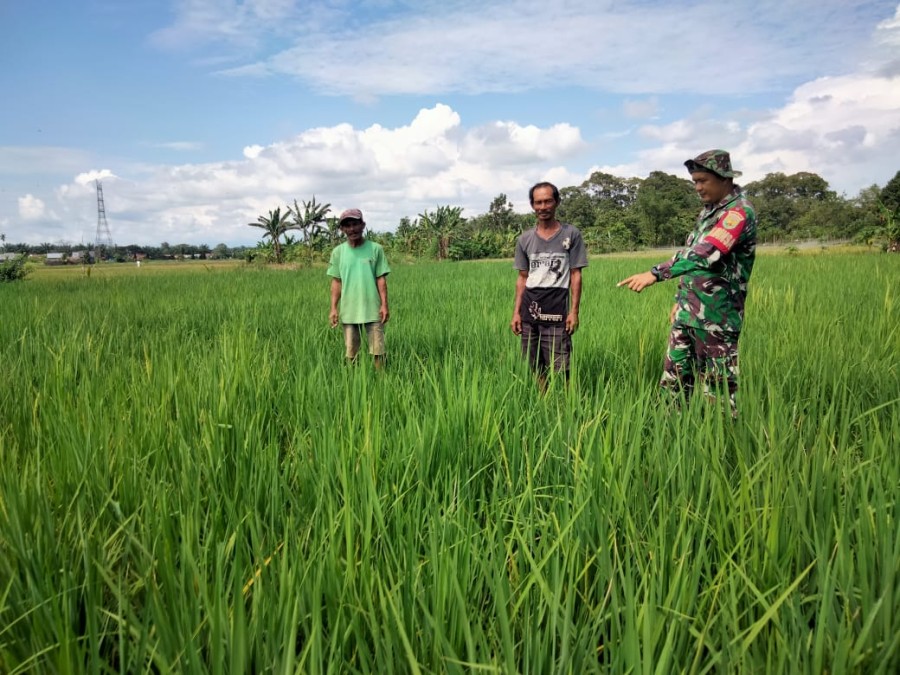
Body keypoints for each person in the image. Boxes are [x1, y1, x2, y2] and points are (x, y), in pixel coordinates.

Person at [617, 149, 757, 413]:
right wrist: (680, 300)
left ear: (724, 178)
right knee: (673, 386)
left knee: (717, 394)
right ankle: (671, 440)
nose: (698, 187)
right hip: (687, 315)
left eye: (703, 180)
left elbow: (706, 253)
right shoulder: (708, 213)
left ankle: (719, 447)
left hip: (717, 320)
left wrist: (655, 273)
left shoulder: (738, 213)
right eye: (695, 181)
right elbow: (690, 259)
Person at [511, 181, 589, 388]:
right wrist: (516, 313)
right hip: (530, 311)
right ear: (532, 205)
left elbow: (575, 274)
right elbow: (522, 277)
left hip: (557, 311)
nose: (543, 207)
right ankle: (543, 402)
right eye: (538, 202)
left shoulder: (571, 234)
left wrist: (574, 311)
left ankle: (566, 404)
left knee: (562, 366)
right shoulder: (525, 239)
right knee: (534, 364)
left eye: (547, 201)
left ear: (556, 202)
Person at [327, 208, 391, 367]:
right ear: (342, 229)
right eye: (347, 226)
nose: (352, 229)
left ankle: (381, 384)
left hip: (373, 309)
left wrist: (384, 305)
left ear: (363, 225)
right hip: (349, 310)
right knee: (351, 353)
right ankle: (352, 384)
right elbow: (336, 282)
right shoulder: (338, 252)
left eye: (355, 224)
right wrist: (333, 308)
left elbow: (380, 279)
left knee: (378, 352)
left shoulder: (375, 249)